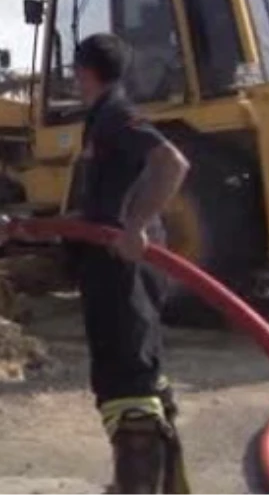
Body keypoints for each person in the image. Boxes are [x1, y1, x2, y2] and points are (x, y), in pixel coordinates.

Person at [70, 33, 192, 495]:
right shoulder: (103, 118)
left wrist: (135, 226)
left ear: (84, 73)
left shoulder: (116, 115)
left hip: (122, 272)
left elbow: (172, 163)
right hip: (114, 266)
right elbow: (100, 207)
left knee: (131, 393)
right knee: (142, 382)